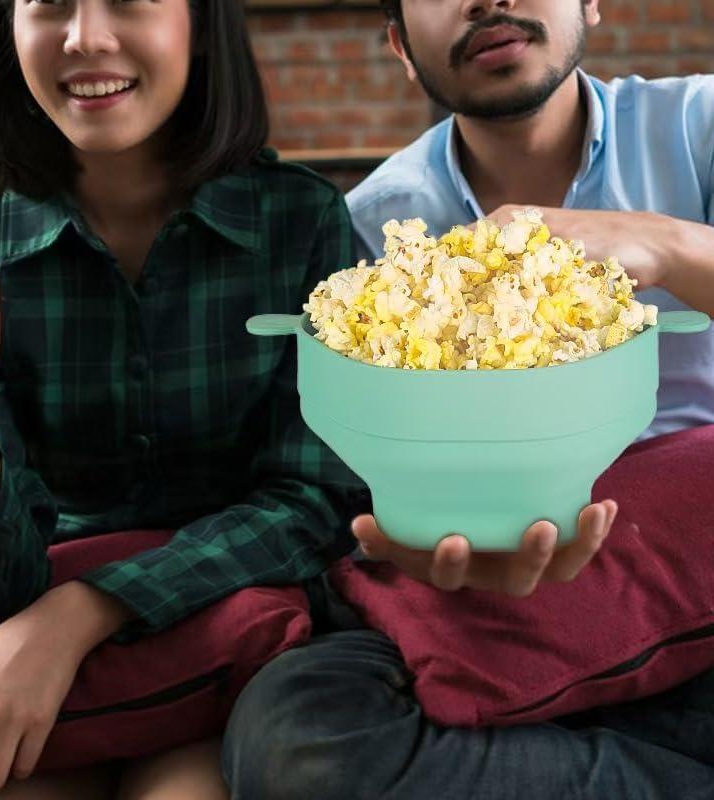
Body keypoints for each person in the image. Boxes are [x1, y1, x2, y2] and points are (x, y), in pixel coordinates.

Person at [221, 1, 714, 798]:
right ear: (401, 46)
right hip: (493, 600)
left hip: (693, 568)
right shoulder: (372, 229)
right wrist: (406, 535)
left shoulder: (699, 125)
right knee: (292, 739)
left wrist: (662, 242)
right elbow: (361, 471)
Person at [0, 0, 368, 797]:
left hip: (232, 643)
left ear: (201, 26)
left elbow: (320, 499)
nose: (86, 35)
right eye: (48, 3)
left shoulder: (303, 223)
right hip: (19, 653)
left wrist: (83, 612)